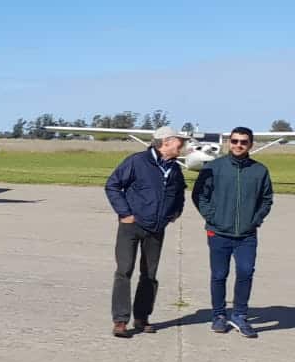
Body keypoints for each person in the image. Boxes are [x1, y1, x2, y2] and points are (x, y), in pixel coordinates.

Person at [104, 126, 186, 338]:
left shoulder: (175, 168)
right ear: (166, 142)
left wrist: (175, 211)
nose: (183, 146)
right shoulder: (137, 161)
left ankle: (142, 318)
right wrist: (125, 213)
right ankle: (121, 321)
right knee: (124, 270)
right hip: (131, 226)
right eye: (179, 142)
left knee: (149, 275)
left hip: (157, 229)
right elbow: (113, 185)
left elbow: (180, 192)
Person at [191, 126, 273, 338]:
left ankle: (239, 315)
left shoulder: (260, 170)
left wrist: (255, 220)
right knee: (219, 275)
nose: (238, 145)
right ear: (229, 142)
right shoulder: (214, 167)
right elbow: (199, 195)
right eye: (235, 141)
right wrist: (212, 217)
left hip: (246, 235)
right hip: (218, 232)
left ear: (250, 145)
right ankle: (218, 315)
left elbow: (266, 199)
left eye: (243, 142)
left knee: (245, 272)